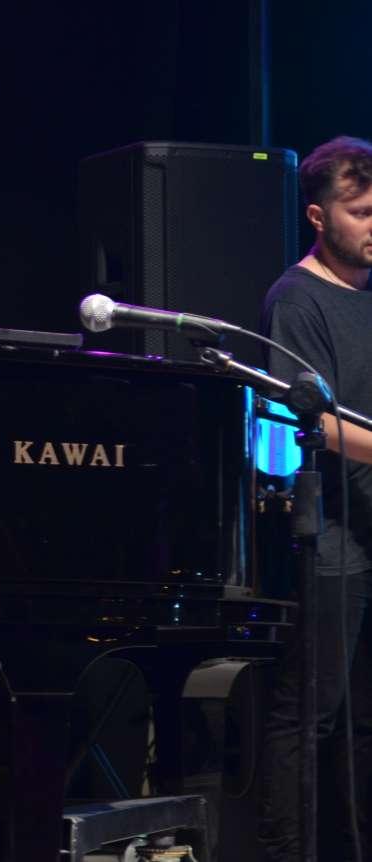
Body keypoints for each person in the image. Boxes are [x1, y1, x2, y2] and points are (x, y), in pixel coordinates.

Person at [258, 135, 372, 861]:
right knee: (309, 716)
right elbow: (311, 419)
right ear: (318, 216)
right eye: (361, 212)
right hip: (333, 537)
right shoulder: (296, 298)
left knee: (366, 723)